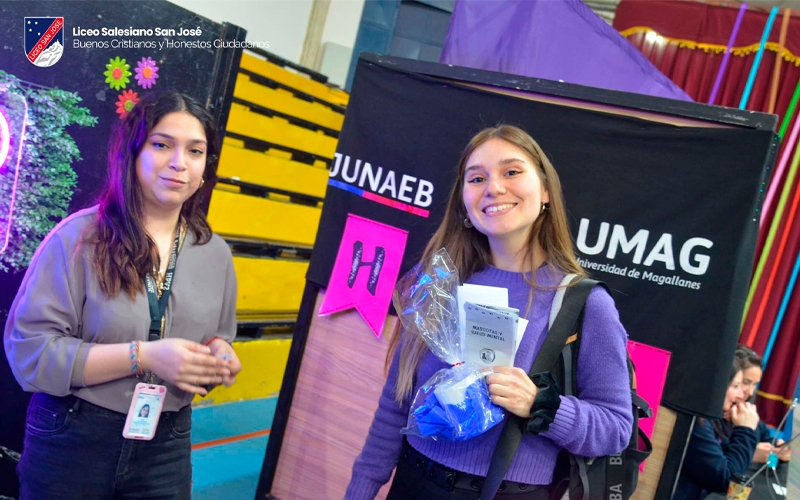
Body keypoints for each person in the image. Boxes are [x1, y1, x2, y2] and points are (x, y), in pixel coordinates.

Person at [344, 125, 633, 500]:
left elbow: (615, 429)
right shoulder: (439, 284)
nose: (494, 188)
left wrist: (542, 405)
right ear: (464, 203)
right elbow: (395, 403)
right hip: (413, 483)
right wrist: (361, 488)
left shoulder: (584, 302)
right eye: (477, 178)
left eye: (512, 172)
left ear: (545, 191)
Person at [4, 90, 242, 499]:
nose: (179, 163)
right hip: (74, 436)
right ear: (132, 153)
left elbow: (217, 334)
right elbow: (32, 354)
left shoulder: (215, 253)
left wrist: (218, 355)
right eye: (162, 144)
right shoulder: (78, 238)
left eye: (196, 151)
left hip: (167, 442)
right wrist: (144, 355)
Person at [673, 358, 760, 499]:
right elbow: (729, 480)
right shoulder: (696, 424)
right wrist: (746, 430)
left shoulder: (714, 418)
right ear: (719, 386)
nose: (741, 395)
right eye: (736, 386)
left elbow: (724, 458)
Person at [732, 345, 790, 463]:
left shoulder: (747, 411)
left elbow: (764, 437)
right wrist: (751, 453)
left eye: (754, 384)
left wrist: (778, 448)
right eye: (746, 382)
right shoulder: (712, 420)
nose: (750, 392)